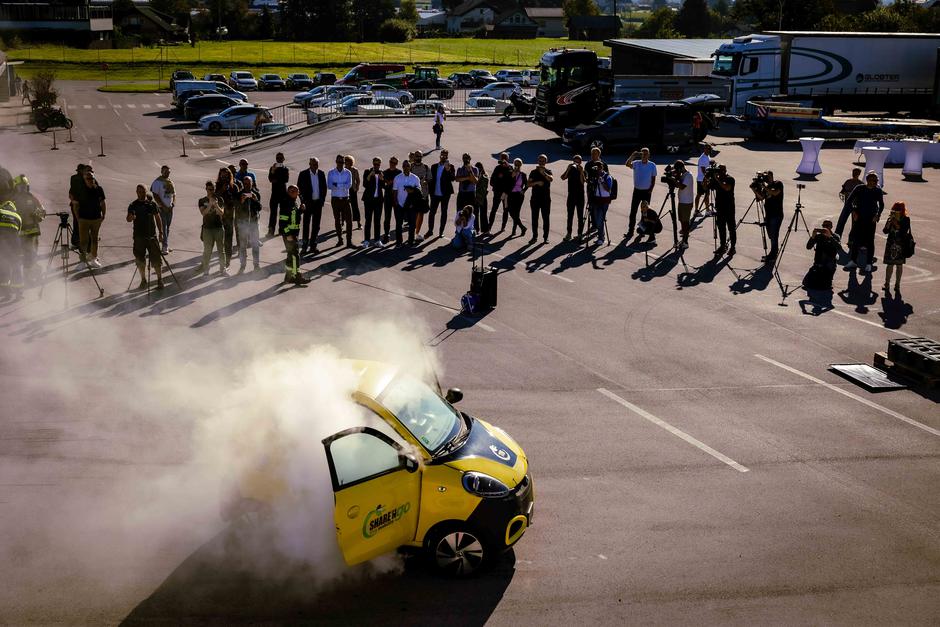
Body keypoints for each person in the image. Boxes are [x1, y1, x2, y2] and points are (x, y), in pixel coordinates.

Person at [845, 171, 885, 272]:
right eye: (872, 180)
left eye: (876, 181)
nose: (874, 182)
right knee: (856, 240)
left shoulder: (877, 191)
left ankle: (868, 263)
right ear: (867, 180)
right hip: (859, 217)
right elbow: (849, 200)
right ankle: (853, 261)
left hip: (871, 219)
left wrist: (877, 215)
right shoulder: (859, 188)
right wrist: (853, 211)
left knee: (870, 241)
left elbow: (881, 205)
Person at [126, 185, 164, 290]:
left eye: (143, 192)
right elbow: (128, 219)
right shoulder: (133, 205)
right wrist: (131, 217)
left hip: (152, 236)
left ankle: (160, 280)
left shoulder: (152, 204)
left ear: (146, 192)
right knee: (140, 260)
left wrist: (161, 233)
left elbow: (158, 218)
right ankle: (143, 280)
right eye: (139, 192)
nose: (141, 194)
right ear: (136, 192)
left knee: (156, 259)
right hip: (139, 237)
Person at [10, 175, 45, 283]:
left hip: (32, 233)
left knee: (31, 256)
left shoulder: (32, 198)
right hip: (18, 234)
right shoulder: (12, 200)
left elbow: (42, 213)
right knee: (18, 256)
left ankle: (30, 277)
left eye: (24, 187)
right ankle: (30, 274)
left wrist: (37, 215)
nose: (22, 189)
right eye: (20, 187)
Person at [74, 169, 106, 268]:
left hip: (96, 218)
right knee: (83, 241)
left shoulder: (99, 189)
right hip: (84, 219)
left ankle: (93, 259)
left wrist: (103, 215)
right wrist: (78, 217)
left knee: (94, 239)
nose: (90, 180)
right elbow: (76, 205)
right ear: (84, 180)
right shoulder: (80, 190)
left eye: (92, 178)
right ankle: (83, 261)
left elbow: (103, 203)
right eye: (88, 178)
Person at [279, 185, 309, 285]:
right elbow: (282, 222)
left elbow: (294, 216)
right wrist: (288, 234)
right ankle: (297, 276)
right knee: (295, 256)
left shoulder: (293, 202)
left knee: (290, 255)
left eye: (297, 191)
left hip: (294, 233)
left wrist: (301, 210)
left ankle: (288, 277)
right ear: (289, 192)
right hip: (289, 234)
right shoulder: (286, 203)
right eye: (295, 191)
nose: (297, 193)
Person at [625, 147, 657, 240]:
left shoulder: (652, 165)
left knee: (645, 212)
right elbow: (627, 164)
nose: (644, 155)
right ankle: (630, 230)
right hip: (637, 191)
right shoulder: (636, 163)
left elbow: (653, 179)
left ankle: (642, 230)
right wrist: (633, 156)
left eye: (646, 153)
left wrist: (650, 190)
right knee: (633, 211)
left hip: (646, 192)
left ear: (649, 155)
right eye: (643, 153)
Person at [882, 201, 912, 296]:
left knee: (899, 265)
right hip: (891, 244)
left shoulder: (906, 219)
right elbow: (885, 231)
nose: (896, 211)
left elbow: (904, 231)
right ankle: (887, 284)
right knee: (890, 265)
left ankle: (897, 285)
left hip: (901, 244)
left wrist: (896, 224)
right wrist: (889, 223)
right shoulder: (891, 218)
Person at [297, 157, 326, 255]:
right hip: (307, 204)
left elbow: (324, 188)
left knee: (316, 226)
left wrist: (322, 200)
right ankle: (304, 247)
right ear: (309, 164)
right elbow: (299, 189)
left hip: (318, 203)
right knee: (306, 225)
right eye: (313, 164)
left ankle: (313, 246)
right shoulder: (303, 174)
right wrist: (303, 201)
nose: (315, 166)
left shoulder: (321, 174)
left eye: (316, 164)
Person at [198, 181, 227, 277]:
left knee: (221, 250)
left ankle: (223, 269)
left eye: (213, 189)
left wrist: (216, 205)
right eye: (210, 189)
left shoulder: (220, 199)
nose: (211, 191)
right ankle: (206, 270)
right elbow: (203, 213)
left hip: (218, 228)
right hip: (207, 229)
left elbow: (221, 213)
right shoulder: (202, 200)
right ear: (206, 189)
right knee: (207, 250)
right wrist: (210, 204)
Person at [234, 176, 262, 274]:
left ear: (252, 183)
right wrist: (241, 201)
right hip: (243, 223)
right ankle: (243, 265)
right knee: (243, 246)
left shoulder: (256, 193)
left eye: (248, 183)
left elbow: (259, 208)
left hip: (254, 223)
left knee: (255, 245)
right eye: (245, 183)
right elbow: (236, 208)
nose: (246, 185)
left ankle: (256, 265)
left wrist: (255, 199)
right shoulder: (239, 194)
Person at [755, 171, 784, 262]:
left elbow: (775, 193)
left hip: (776, 214)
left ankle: (773, 255)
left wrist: (764, 186)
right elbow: (761, 198)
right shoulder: (766, 187)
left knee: (774, 235)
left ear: (771, 176)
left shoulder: (778, 184)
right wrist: (754, 189)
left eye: (767, 176)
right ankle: (773, 252)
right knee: (771, 235)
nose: (766, 178)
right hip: (768, 215)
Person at [804, 220, 840, 290]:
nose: (825, 227)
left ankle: (827, 278)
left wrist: (830, 237)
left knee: (824, 285)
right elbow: (808, 247)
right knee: (807, 283)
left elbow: (839, 247)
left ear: (831, 227)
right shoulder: (819, 236)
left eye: (827, 226)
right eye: (824, 226)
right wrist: (813, 237)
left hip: (829, 264)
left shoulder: (835, 237)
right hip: (819, 263)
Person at [392, 159, 421, 245]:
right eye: (404, 166)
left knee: (412, 224)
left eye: (407, 166)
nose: (406, 167)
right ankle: (399, 242)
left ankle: (411, 241)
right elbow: (395, 192)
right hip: (400, 205)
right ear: (402, 167)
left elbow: (419, 191)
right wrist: (396, 203)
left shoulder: (415, 178)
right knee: (398, 224)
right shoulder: (397, 178)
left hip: (411, 205)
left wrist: (412, 191)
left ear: (410, 167)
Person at [327, 154, 353, 248]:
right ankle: (340, 240)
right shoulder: (331, 173)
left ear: (344, 163)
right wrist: (342, 185)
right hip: (335, 200)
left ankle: (349, 242)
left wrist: (337, 185)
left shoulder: (348, 173)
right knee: (337, 220)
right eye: (339, 162)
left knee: (349, 221)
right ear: (336, 162)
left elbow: (349, 185)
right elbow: (329, 186)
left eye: (342, 162)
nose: (340, 164)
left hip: (345, 199)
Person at [428, 150, 455, 238]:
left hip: (445, 194)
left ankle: (441, 232)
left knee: (444, 212)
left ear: (447, 157)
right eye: (442, 155)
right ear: (440, 156)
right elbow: (431, 179)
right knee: (432, 212)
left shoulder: (451, 167)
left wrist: (448, 170)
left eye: (445, 155)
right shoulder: (434, 166)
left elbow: (452, 178)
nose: (443, 157)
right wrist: (430, 192)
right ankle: (430, 230)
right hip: (435, 194)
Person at [149, 165, 175, 254]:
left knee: (168, 228)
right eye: (165, 171)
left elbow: (174, 195)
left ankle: (165, 244)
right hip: (161, 208)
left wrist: (173, 204)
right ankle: (164, 247)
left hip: (170, 209)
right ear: (161, 171)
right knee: (164, 227)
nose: (167, 173)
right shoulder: (157, 182)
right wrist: (163, 206)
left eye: (169, 172)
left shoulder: (170, 182)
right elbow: (155, 195)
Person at [527, 154, 553, 244]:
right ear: (538, 161)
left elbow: (551, 179)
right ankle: (534, 237)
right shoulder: (533, 172)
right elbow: (528, 184)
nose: (541, 162)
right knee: (534, 218)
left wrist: (543, 173)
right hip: (535, 198)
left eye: (543, 161)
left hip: (546, 199)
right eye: (540, 161)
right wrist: (537, 182)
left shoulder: (548, 171)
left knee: (546, 218)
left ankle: (546, 237)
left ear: (546, 162)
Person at [215, 167, 238, 264]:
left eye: (226, 175)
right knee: (220, 239)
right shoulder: (217, 186)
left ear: (229, 176)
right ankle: (222, 259)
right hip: (220, 216)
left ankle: (227, 260)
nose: (224, 177)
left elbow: (237, 201)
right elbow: (214, 198)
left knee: (229, 238)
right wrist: (222, 190)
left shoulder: (234, 187)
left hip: (229, 216)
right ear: (220, 176)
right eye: (222, 175)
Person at [712, 164, 736, 256]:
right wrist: (706, 178)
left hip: (729, 208)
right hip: (720, 208)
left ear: (724, 170)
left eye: (721, 170)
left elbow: (727, 188)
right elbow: (706, 187)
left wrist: (717, 179)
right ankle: (722, 246)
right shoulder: (717, 180)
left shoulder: (730, 179)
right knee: (721, 228)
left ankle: (733, 247)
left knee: (731, 228)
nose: (719, 172)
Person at [561, 154, 585, 241]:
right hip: (571, 195)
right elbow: (563, 177)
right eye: (575, 161)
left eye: (578, 161)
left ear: (581, 162)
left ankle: (580, 234)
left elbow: (583, 182)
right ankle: (569, 233)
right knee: (570, 215)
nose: (576, 163)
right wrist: (568, 169)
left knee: (580, 216)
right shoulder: (571, 169)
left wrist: (581, 172)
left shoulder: (583, 170)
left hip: (580, 195)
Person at [0, 200, 23, 294]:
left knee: (3, 263)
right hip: (15, 243)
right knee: (16, 264)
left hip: (2, 242)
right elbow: (18, 232)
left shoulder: (0, 211)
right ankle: (18, 290)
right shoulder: (18, 217)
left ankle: (4, 289)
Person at [835, 167, 864, 240]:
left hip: (856, 206)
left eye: (856, 173)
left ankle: (852, 239)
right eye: (854, 172)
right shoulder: (848, 182)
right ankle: (837, 237)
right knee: (841, 221)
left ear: (859, 174)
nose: (854, 174)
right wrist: (843, 194)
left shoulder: (861, 184)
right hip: (847, 205)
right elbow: (842, 191)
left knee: (855, 224)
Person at [362, 156, 384, 247]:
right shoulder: (367, 171)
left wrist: (382, 179)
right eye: (375, 164)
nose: (376, 166)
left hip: (378, 201)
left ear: (380, 164)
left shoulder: (381, 173)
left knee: (377, 221)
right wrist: (370, 175)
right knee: (368, 220)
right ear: (373, 163)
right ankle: (366, 240)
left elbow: (384, 186)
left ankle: (377, 240)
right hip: (368, 200)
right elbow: (364, 184)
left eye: (378, 164)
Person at [584, 147, 606, 239]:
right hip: (590, 188)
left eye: (595, 154)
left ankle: (599, 225)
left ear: (599, 154)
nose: (593, 155)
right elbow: (585, 175)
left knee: (600, 207)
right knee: (591, 206)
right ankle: (594, 224)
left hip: (600, 189)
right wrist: (587, 180)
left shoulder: (603, 164)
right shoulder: (588, 164)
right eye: (592, 154)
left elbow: (606, 175)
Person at [267, 152, 290, 237]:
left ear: (283, 159)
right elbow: (270, 179)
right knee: (273, 213)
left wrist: (276, 179)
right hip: (274, 194)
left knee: (283, 214)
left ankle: (282, 230)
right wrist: (273, 171)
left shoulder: (285, 169)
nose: (279, 160)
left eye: (280, 158)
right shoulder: (272, 168)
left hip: (283, 194)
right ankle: (271, 231)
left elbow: (286, 179)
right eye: (277, 158)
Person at [488, 152, 512, 234]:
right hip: (497, 192)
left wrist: (507, 168)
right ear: (500, 159)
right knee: (494, 209)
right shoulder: (497, 168)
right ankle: (489, 228)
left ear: (508, 159)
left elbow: (512, 181)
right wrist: (498, 178)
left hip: (506, 193)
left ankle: (503, 227)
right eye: (502, 158)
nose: (503, 160)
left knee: (506, 210)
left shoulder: (510, 168)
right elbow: (491, 181)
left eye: (505, 158)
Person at [410, 150, 431, 241]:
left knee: (421, 214)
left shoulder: (426, 167)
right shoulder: (410, 167)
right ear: (414, 157)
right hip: (412, 195)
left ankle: (417, 233)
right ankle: (411, 234)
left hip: (423, 194)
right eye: (417, 156)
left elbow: (430, 179)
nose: (418, 158)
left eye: (420, 156)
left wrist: (426, 181)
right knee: (412, 215)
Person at [454, 153, 479, 231]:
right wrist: (468, 177)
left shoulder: (475, 169)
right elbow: (457, 179)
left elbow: (475, 181)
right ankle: (459, 229)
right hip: (462, 193)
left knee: (472, 212)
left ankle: (473, 229)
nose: (466, 159)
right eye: (464, 158)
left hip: (471, 193)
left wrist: (470, 171)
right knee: (460, 211)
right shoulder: (460, 169)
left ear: (470, 159)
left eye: (467, 158)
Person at [68, 164, 90, 250]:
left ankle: (75, 240)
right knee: (82, 222)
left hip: (75, 203)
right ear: (81, 171)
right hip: (80, 204)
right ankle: (82, 241)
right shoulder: (81, 179)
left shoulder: (73, 178)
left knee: (76, 222)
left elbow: (71, 191)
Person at [591, 165, 614, 246]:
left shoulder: (608, 177)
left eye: (599, 168)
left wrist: (601, 181)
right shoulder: (595, 176)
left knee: (599, 220)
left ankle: (601, 238)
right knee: (597, 219)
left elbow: (608, 189)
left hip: (604, 201)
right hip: (596, 199)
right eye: (597, 169)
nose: (598, 170)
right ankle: (601, 235)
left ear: (602, 168)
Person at [673, 161, 694, 249]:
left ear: (682, 168)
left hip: (686, 202)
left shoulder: (688, 176)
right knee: (682, 220)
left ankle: (685, 242)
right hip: (682, 202)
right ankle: (683, 239)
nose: (678, 171)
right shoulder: (683, 175)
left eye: (678, 170)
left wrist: (674, 179)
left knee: (685, 223)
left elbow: (682, 186)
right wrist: (676, 177)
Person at [382, 156, 402, 245]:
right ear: (389, 162)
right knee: (387, 217)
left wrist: (389, 182)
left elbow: (400, 185)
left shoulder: (399, 172)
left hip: (397, 197)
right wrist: (389, 182)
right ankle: (386, 235)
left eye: (394, 163)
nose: (392, 164)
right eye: (391, 162)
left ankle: (398, 236)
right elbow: (383, 185)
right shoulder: (385, 172)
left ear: (396, 164)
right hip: (387, 197)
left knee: (398, 218)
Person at [507, 158, 528, 238]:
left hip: (519, 195)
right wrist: (512, 176)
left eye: (518, 164)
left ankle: (514, 230)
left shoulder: (523, 174)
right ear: (513, 164)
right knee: (511, 212)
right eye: (516, 164)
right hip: (511, 194)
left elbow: (527, 184)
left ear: (521, 165)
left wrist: (524, 190)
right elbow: (507, 183)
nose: (517, 166)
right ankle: (522, 227)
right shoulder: (510, 173)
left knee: (516, 213)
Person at [694, 144, 713, 214]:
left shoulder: (708, 156)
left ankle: (707, 210)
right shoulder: (702, 158)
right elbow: (703, 170)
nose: (708, 150)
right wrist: (707, 178)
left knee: (707, 194)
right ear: (704, 149)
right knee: (699, 194)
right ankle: (696, 210)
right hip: (701, 180)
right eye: (707, 149)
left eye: (709, 149)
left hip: (705, 179)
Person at [345, 155, 362, 230]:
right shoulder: (343, 170)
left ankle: (358, 223)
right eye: (346, 162)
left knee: (355, 206)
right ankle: (343, 223)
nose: (347, 163)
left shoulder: (354, 170)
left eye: (349, 162)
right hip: (345, 190)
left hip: (352, 190)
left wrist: (357, 187)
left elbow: (358, 180)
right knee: (345, 207)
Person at [474, 162, 489, 236]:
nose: (478, 170)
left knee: (483, 214)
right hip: (476, 196)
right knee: (475, 214)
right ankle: (476, 229)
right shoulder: (474, 175)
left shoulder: (485, 176)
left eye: (479, 168)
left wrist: (479, 177)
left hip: (482, 196)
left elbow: (485, 184)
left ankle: (485, 230)